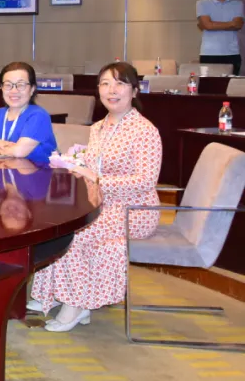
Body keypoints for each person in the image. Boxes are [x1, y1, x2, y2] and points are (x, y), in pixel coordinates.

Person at [31, 62, 161, 332]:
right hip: (100, 203)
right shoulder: (98, 127)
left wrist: (97, 179)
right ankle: (59, 294)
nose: (112, 90)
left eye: (120, 84)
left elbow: (145, 181)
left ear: (134, 91)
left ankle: (77, 305)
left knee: (78, 233)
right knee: (59, 225)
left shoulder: (144, 130)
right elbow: (91, 166)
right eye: (105, 83)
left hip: (134, 209)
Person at [0, 62, 57, 164]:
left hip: (36, 173)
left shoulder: (38, 115)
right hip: (2, 172)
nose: (14, 91)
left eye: (20, 85)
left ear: (32, 89)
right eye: (8, 85)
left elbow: (18, 152)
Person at [196, 0, 244, 75]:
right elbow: (208, 25)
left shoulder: (237, 3)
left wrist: (211, 24)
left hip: (232, 52)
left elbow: (238, 25)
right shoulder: (202, 3)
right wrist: (231, 23)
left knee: (231, 84)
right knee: (209, 84)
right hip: (209, 53)